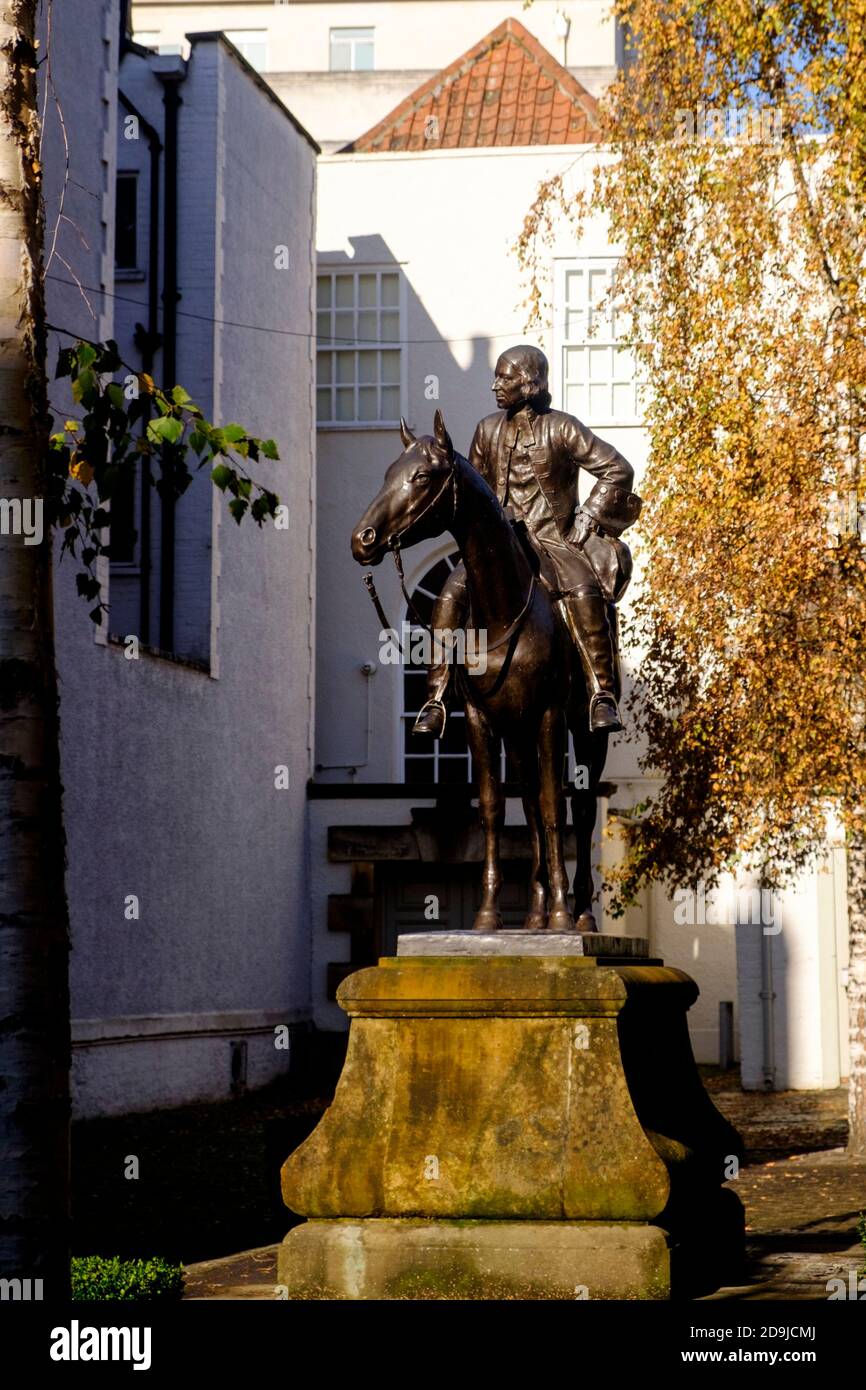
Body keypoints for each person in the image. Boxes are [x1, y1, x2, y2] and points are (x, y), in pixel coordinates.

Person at [412, 344, 641, 737]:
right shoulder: (486, 429)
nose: (495, 385)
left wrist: (587, 516)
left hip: (553, 542)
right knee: (449, 596)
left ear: (531, 383)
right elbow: (476, 494)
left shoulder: (563, 427)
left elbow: (618, 469)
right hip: (500, 549)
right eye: (497, 376)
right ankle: (435, 697)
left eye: (505, 377)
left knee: (583, 591)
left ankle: (600, 692)